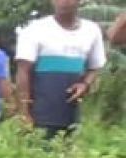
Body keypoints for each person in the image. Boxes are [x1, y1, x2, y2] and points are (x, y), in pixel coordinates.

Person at [14, 0, 107, 138]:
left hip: (71, 116)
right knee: (40, 155)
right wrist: (24, 113)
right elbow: (23, 72)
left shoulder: (91, 30)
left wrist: (85, 84)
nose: (64, 2)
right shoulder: (35, 29)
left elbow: (95, 67)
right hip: (39, 116)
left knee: (67, 156)